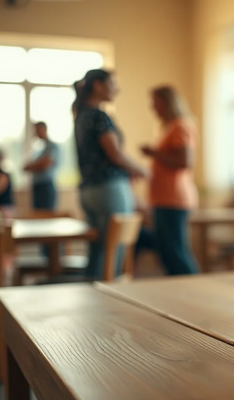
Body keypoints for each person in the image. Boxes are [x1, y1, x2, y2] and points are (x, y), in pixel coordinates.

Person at [74, 69, 147, 279]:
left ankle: (93, 303)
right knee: (114, 254)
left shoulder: (81, 115)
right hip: (107, 189)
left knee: (98, 252)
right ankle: (110, 303)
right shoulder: (98, 116)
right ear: (98, 85)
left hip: (88, 190)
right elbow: (115, 154)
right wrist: (141, 170)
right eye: (113, 84)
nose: (117, 89)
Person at [140, 85, 200, 275]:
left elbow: (185, 161)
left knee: (175, 252)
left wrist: (154, 153)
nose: (152, 108)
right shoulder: (168, 128)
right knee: (166, 251)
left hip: (173, 199)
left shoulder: (180, 126)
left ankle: (193, 289)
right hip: (163, 199)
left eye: (155, 103)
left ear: (167, 103)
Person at [24, 122, 60, 211]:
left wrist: (35, 165)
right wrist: (38, 164)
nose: (35, 133)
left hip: (46, 187)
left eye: (37, 130)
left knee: (47, 216)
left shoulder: (52, 146)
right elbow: (25, 167)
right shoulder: (37, 149)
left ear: (44, 129)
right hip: (36, 187)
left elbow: (45, 165)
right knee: (37, 216)